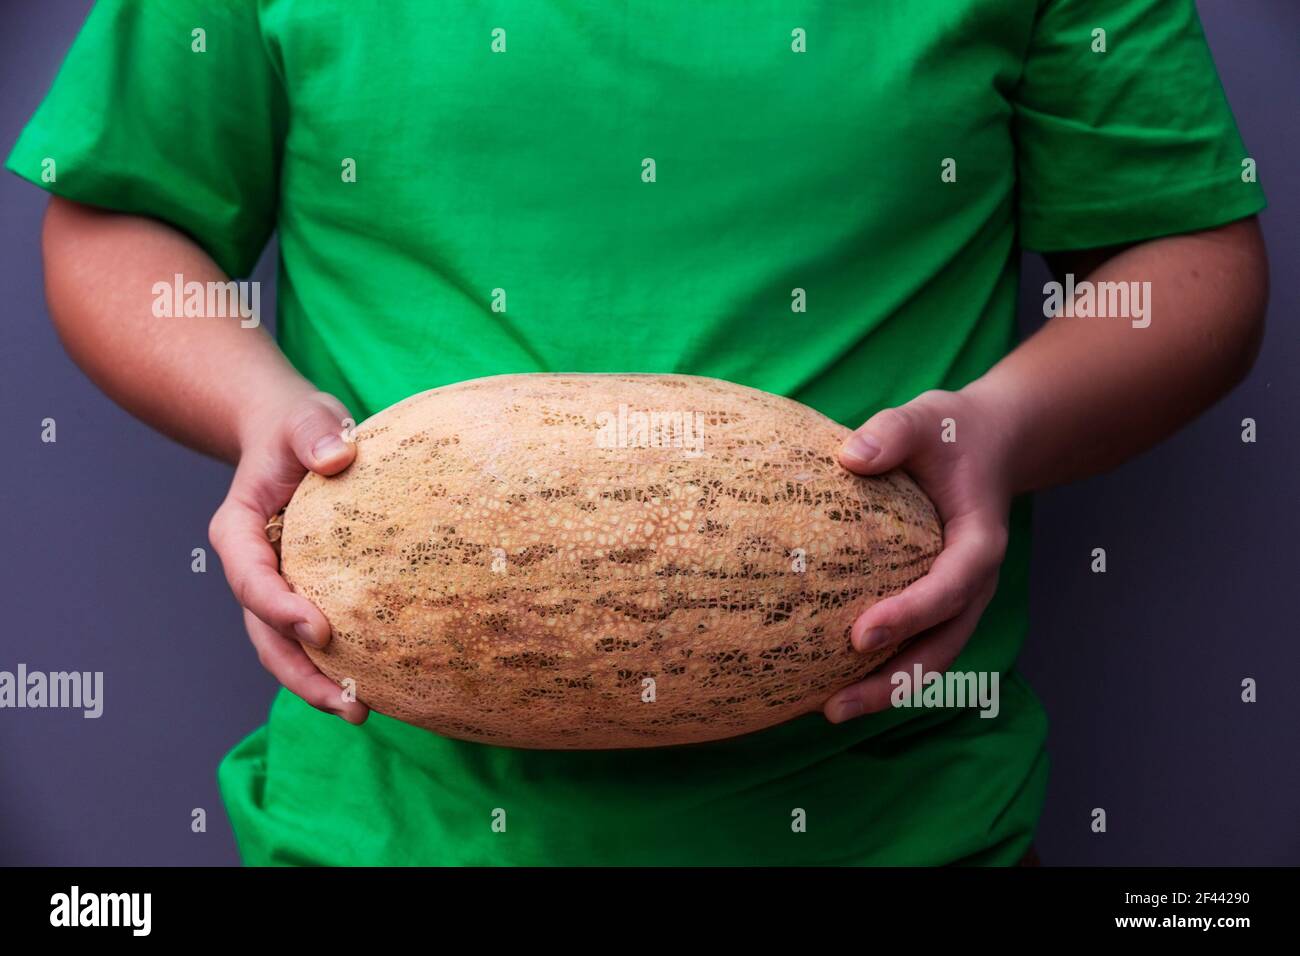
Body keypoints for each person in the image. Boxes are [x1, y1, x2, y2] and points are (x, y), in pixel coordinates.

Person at [7, 0, 1267, 865]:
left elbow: (1189, 260)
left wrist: (1003, 426)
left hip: (907, 825)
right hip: (378, 831)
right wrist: (256, 408)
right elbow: (118, 215)